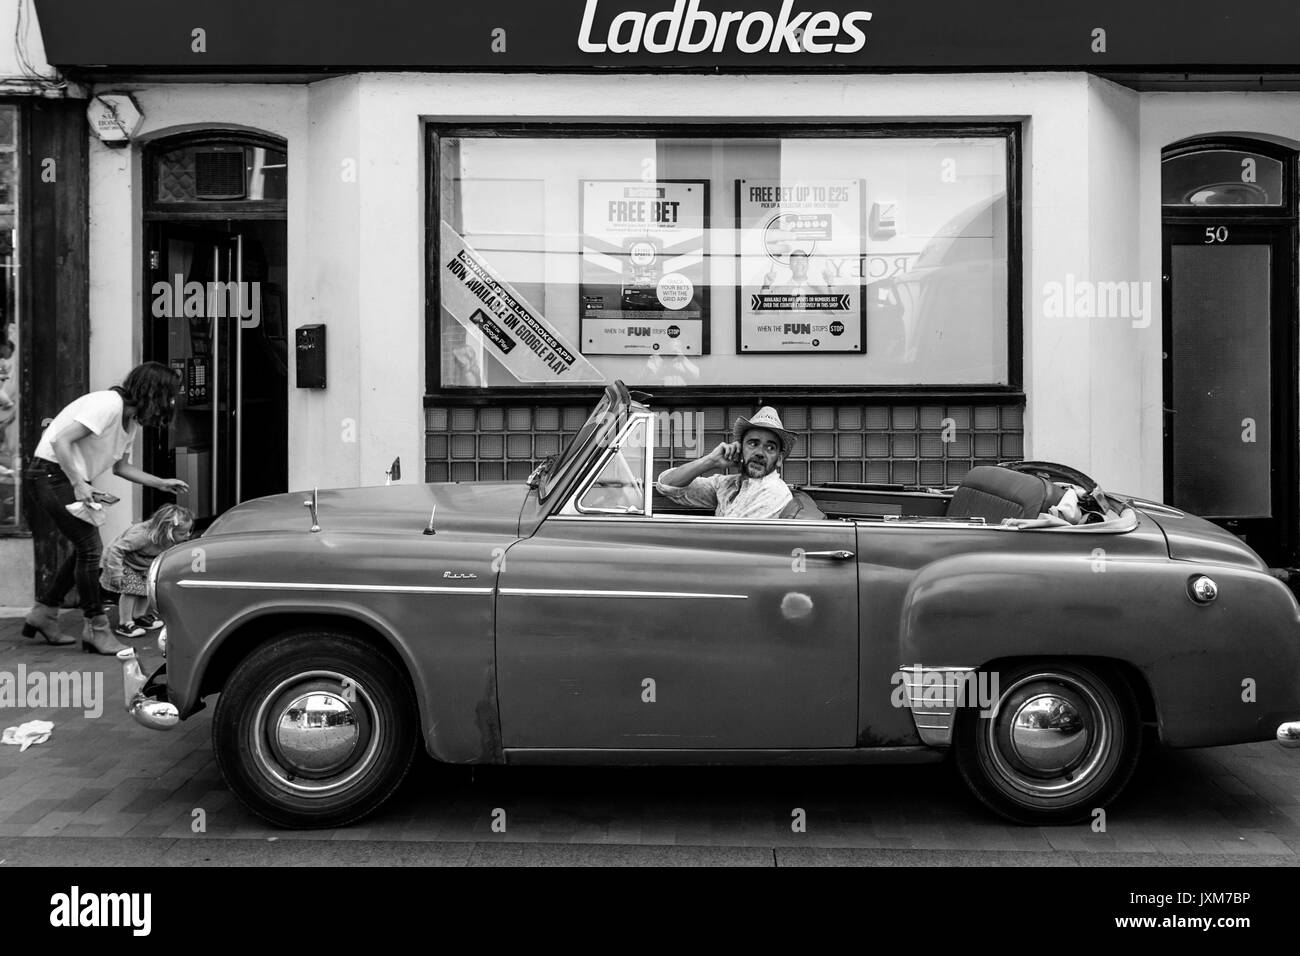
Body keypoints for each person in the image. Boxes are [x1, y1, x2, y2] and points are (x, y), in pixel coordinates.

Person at [22, 362, 189, 654]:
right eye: (170, 395)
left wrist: (160, 482)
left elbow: (121, 468)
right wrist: (78, 483)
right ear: (155, 392)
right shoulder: (108, 404)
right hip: (50, 474)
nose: (172, 402)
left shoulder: (131, 420)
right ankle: (95, 627)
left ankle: (45, 612)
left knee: (83, 548)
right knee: (90, 548)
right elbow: (60, 440)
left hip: (65, 477)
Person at [656, 406, 796, 518]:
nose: (760, 453)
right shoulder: (727, 485)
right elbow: (666, 485)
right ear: (739, 449)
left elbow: (733, 539)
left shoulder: (773, 492)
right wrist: (711, 461)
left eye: (770, 447)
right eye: (753, 444)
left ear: (779, 459)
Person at [100, 503, 194, 639]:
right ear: (166, 530)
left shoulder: (169, 539)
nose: (187, 535)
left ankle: (139, 616)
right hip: (123, 562)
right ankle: (125, 623)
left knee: (147, 589)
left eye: (188, 531)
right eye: (182, 533)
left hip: (143, 564)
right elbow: (116, 549)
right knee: (131, 590)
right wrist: (116, 572)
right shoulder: (142, 536)